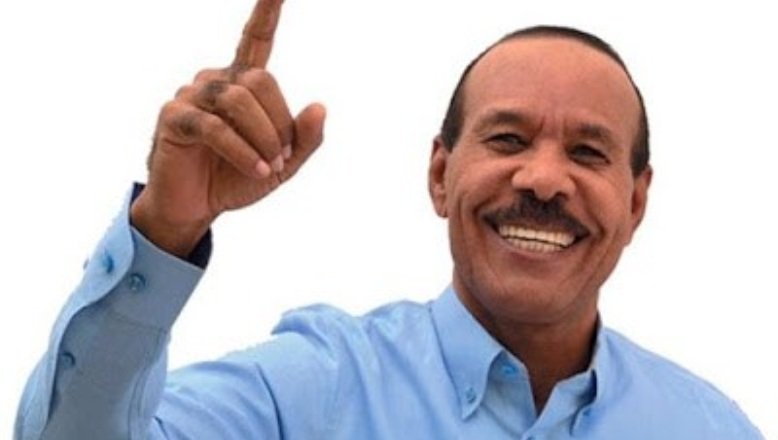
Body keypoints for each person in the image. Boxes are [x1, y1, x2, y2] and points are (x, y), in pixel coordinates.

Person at [15, 0, 763, 438]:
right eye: (507, 139)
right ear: (440, 175)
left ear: (635, 202)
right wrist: (165, 230)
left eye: (588, 152)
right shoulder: (311, 392)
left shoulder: (711, 428)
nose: (542, 178)